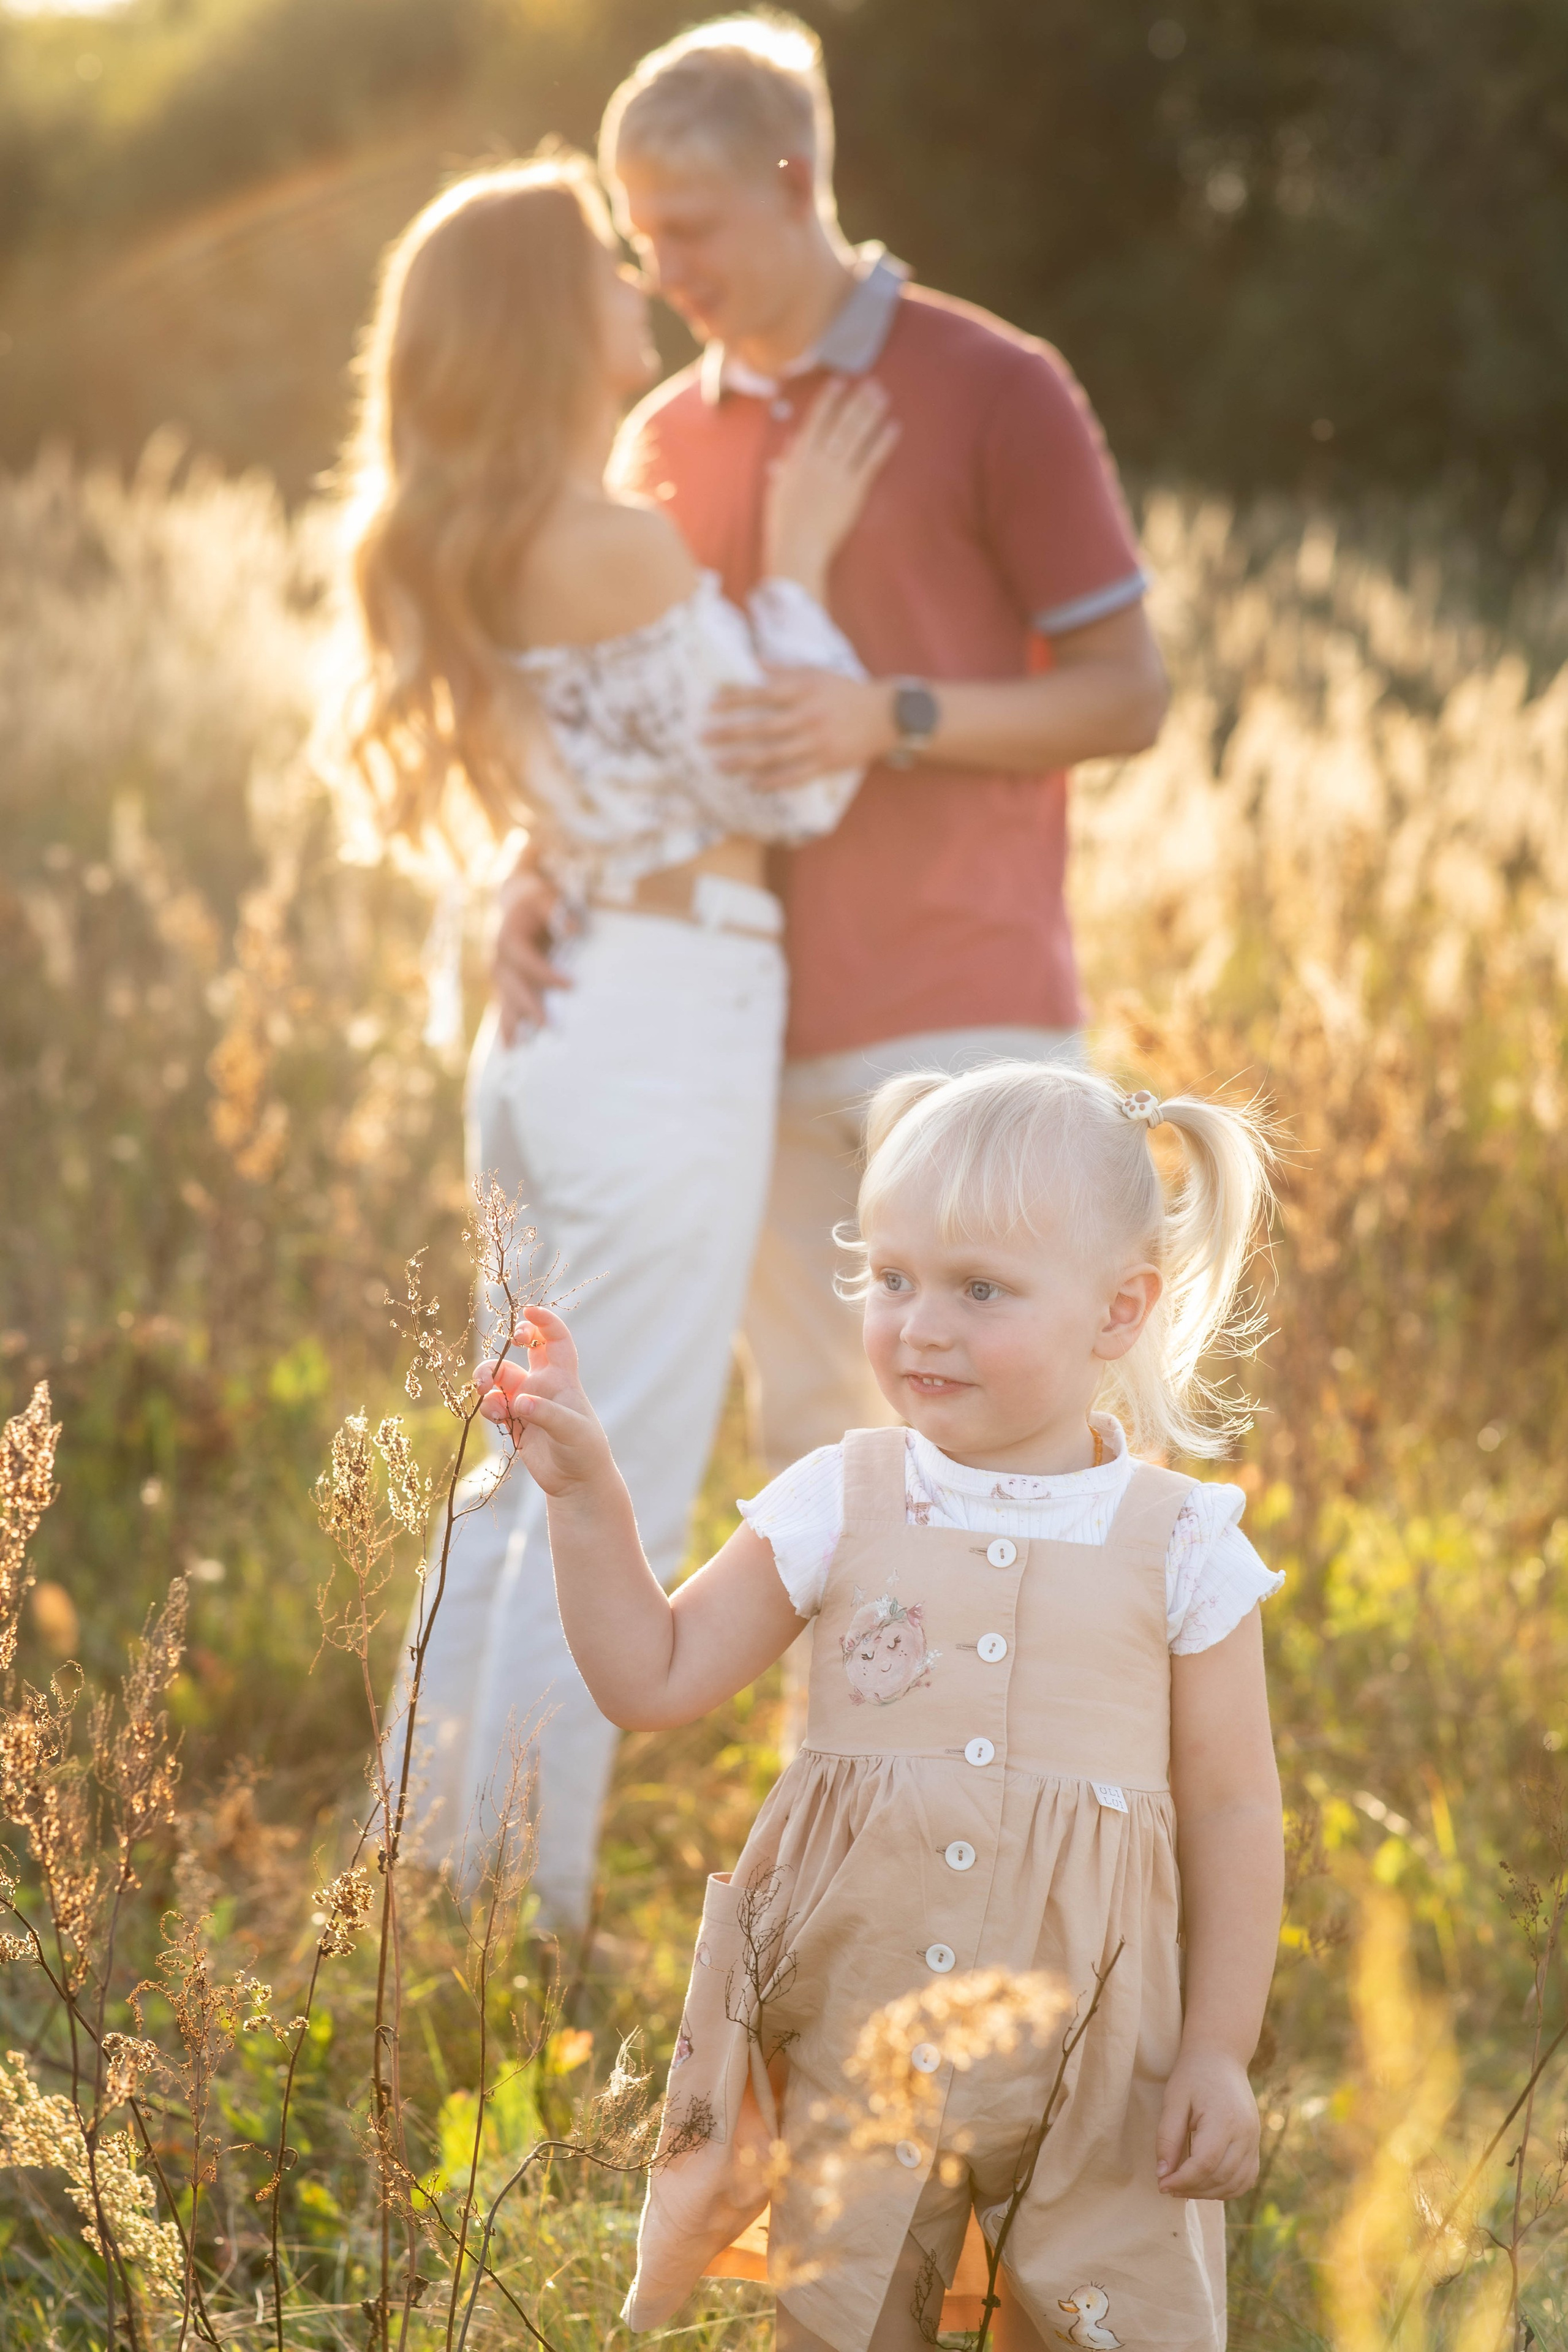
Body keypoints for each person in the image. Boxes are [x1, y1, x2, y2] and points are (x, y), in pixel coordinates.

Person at [477, 1061, 1284, 2348]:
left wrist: (1215, 2053)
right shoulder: (837, 1497)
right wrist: (588, 1499)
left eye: (979, 1289)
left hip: (1091, 2058)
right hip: (858, 2027)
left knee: (1101, 2315)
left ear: (1116, 1311)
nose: (919, 1324)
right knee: (843, 2312)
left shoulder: (1182, 1543)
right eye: (891, 1277)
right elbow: (655, 1675)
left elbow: (1236, 1809)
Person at [493, 13, 1170, 1491]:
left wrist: (891, 715)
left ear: (795, 180)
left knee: (1004, 1456)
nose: (660, 271)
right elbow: (623, 719)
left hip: (959, 1010)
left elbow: (1130, 696)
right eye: (637, 234)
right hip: (732, 1037)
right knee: (815, 1456)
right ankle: (847, 1740)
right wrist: (528, 872)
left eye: (688, 227)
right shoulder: (655, 435)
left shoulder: (997, 385)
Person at [339, 153, 897, 1921]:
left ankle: (431, 1879)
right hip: (655, 1026)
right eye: (604, 262)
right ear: (539, 313)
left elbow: (610, 782)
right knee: (609, 1480)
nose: (638, 292)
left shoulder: (493, 540)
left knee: (521, 1479)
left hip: (570, 1032)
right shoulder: (614, 540)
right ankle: (525, 1922)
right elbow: (788, 773)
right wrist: (798, 566)